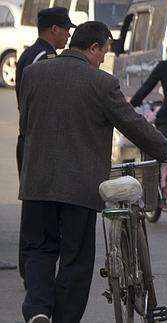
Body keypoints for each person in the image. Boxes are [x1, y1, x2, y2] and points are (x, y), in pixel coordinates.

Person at [18, 21, 167, 323]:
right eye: (103, 52)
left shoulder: (32, 74)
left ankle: (39, 310)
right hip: (79, 188)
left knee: (38, 250)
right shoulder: (101, 83)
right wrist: (166, 148)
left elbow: (26, 122)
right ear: (94, 47)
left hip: (37, 182)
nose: (102, 59)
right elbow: (132, 123)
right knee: (75, 259)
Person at [14, 6, 76, 283]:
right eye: (66, 30)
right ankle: (32, 271)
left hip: (32, 139)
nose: (68, 36)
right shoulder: (43, 56)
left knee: (34, 210)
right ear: (54, 29)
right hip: (36, 140)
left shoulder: (33, 53)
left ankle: (31, 269)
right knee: (36, 215)